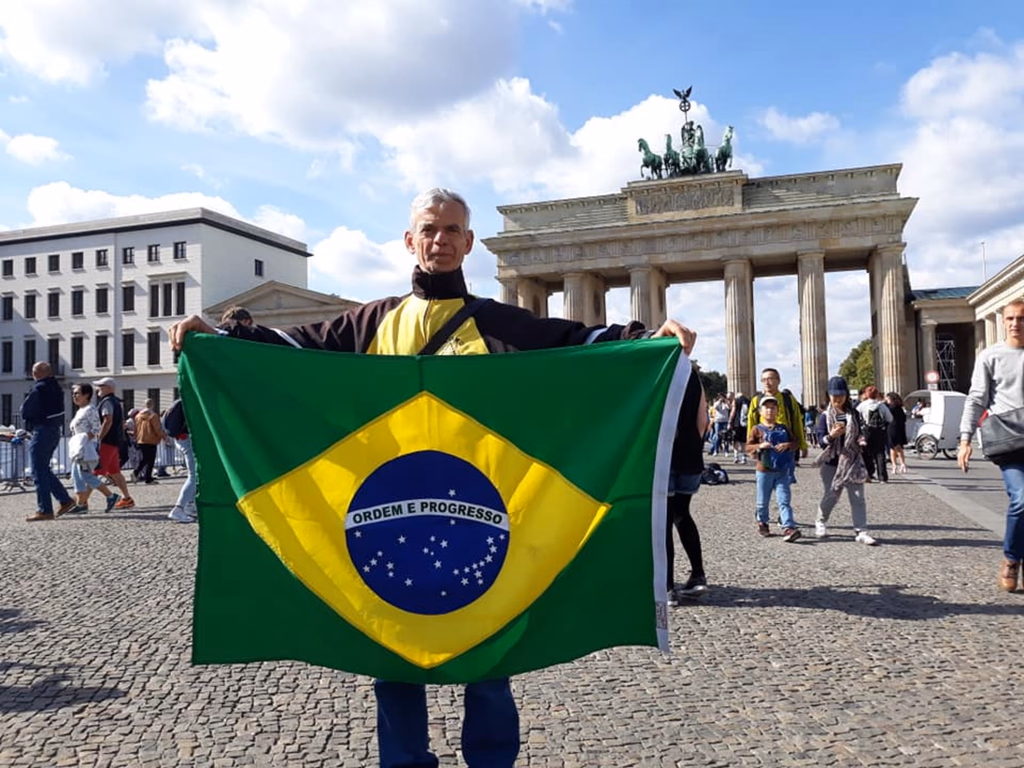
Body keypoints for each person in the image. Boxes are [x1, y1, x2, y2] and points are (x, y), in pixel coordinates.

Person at [169, 187, 699, 768]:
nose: (440, 240)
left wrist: (654, 338)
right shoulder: (372, 321)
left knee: (490, 656)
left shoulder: (502, 325)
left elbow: (581, 345)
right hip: (386, 513)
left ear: (468, 243)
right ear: (409, 239)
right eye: (429, 229)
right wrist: (217, 343)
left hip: (481, 516)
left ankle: (491, 761)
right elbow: (292, 350)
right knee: (392, 655)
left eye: (451, 231)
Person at [958, 298, 1024, 592]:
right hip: (1009, 440)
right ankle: (1011, 559)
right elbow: (976, 399)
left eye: (1021, 318)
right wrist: (965, 439)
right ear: (1003, 321)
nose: (1015, 323)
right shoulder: (991, 356)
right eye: (1010, 318)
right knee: (1022, 499)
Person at [813, 376, 877, 545]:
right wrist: (832, 436)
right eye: (834, 395)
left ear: (847, 395)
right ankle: (820, 520)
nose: (838, 398)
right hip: (832, 462)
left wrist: (860, 439)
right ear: (829, 395)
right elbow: (821, 441)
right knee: (831, 495)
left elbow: (858, 432)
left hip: (852, 460)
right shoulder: (824, 416)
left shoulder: (853, 413)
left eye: (841, 395)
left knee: (858, 497)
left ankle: (861, 530)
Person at [666, 365, 709, 605]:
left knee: (663, 520)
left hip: (666, 455)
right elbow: (703, 420)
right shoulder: (692, 375)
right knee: (682, 515)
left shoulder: (658, 370)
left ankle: (667, 586)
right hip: (691, 456)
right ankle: (698, 575)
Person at [22, 361, 78, 521]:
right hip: (54, 430)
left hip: (42, 429)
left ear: (37, 373)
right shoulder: (57, 387)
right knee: (43, 469)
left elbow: (26, 410)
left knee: (38, 470)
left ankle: (45, 509)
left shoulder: (39, 388)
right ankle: (65, 500)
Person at [746, 395, 800, 542]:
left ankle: (788, 527)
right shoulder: (756, 429)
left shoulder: (784, 428)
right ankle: (762, 522)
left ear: (777, 411)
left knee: (784, 500)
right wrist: (759, 446)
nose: (770, 410)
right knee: (762, 500)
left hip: (782, 470)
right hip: (764, 470)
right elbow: (748, 447)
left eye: (773, 407)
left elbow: (796, 443)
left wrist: (787, 445)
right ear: (760, 411)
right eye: (766, 407)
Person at [747, 368, 807, 480]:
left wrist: (802, 444)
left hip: (785, 447)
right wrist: (752, 448)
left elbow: (797, 421)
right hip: (765, 448)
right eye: (764, 379)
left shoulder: (788, 399)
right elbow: (751, 423)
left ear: (778, 380)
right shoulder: (756, 400)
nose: (767, 382)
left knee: (784, 483)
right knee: (765, 480)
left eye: (770, 379)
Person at [68, 383, 120, 512]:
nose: (74, 396)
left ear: (86, 395)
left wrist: (85, 440)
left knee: (85, 475)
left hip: (85, 447)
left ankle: (111, 496)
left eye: (77, 393)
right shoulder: (80, 410)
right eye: (73, 394)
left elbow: (96, 428)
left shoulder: (90, 410)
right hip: (78, 447)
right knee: (77, 476)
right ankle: (82, 504)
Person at [93, 378, 135, 509]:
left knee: (94, 473)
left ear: (108, 387)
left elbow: (107, 420)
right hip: (115, 441)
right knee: (115, 472)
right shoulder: (115, 401)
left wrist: (99, 437)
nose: (98, 388)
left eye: (101, 386)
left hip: (107, 441)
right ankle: (127, 498)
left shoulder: (107, 402)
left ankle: (81, 502)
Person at [163, 399, 197, 524]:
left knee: (194, 475)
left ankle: (189, 506)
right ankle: (179, 508)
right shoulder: (189, 402)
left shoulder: (180, 401)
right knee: (194, 476)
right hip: (187, 439)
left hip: (181, 439)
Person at [856, 385, 893, 482]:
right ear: (877, 394)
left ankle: (868, 474)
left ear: (867, 394)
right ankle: (882, 477)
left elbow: (856, 417)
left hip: (867, 431)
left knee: (867, 454)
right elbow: (890, 418)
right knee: (880, 454)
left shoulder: (862, 405)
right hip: (879, 432)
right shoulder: (882, 405)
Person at [133, 399, 168, 484]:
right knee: (150, 459)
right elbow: (157, 429)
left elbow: (136, 428)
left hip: (141, 439)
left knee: (145, 458)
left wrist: (135, 437)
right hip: (151, 439)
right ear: (152, 405)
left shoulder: (137, 416)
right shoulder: (153, 416)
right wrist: (164, 437)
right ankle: (143, 475)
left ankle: (142, 475)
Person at [885, 392, 908, 474]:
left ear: (891, 399)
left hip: (891, 429)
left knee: (892, 448)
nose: (886, 400)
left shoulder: (890, 409)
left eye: (887, 399)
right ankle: (903, 464)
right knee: (899, 448)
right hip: (900, 429)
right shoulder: (900, 408)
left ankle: (894, 465)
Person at [729, 391, 749, 463]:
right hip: (745, 423)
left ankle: (736, 456)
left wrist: (730, 421)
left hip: (736, 423)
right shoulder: (748, 401)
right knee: (743, 441)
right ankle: (744, 457)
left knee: (736, 440)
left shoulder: (736, 401)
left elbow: (733, 412)